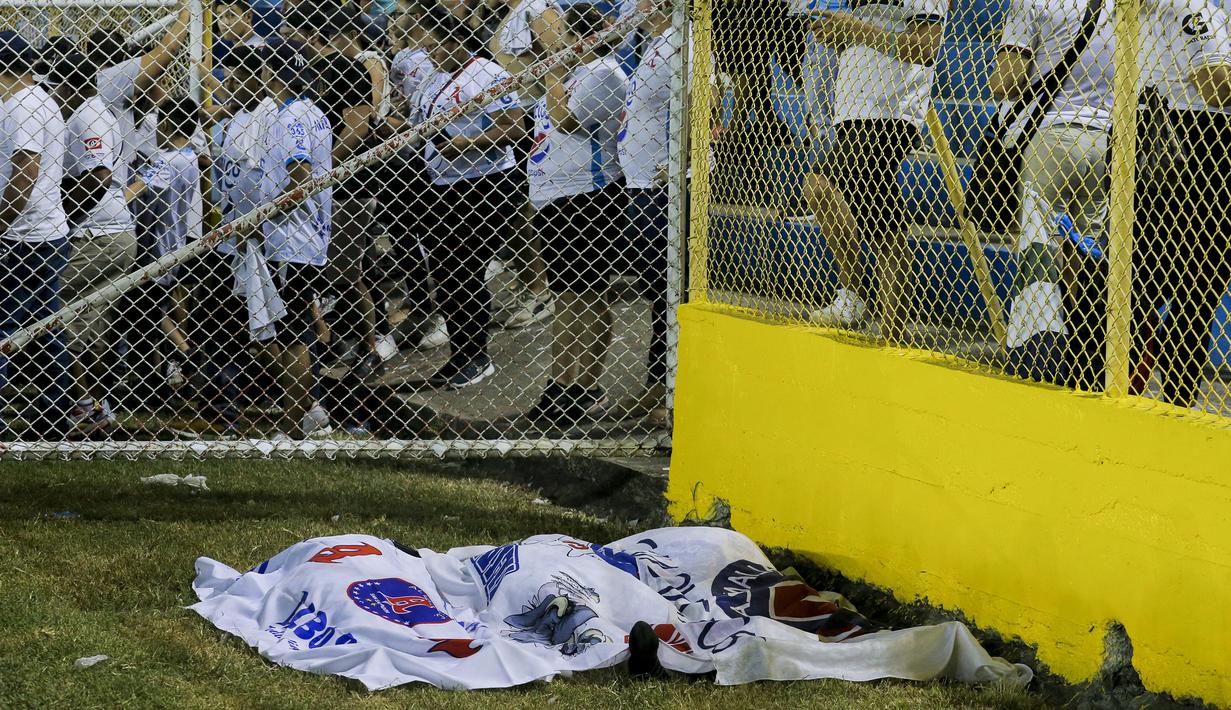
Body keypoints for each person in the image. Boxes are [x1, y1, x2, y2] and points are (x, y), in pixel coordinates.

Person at [801, 0, 945, 343]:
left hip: (890, 113)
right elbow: (864, 37)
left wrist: (855, 30)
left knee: (827, 187)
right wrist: (837, 34)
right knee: (877, 217)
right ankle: (870, 310)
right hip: (853, 109)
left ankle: (884, 324)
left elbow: (926, 48)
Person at [988, 0, 1114, 386]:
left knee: (1042, 243)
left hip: (1051, 135)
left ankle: (1041, 348)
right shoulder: (1120, 8)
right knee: (1090, 249)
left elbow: (1005, 84)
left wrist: (1005, 55)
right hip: (1106, 139)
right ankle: (1086, 355)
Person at [524, 4, 628, 424]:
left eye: (571, 34)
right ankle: (561, 379)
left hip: (590, 195)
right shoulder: (569, 75)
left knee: (586, 296)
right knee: (567, 296)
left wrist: (551, 72)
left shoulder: (605, 73)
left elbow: (567, 120)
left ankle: (584, 382)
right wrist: (554, 71)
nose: (566, 42)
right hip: (556, 196)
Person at [414, 7, 524, 388]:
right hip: (442, 183)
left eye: (434, 46)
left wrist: (466, 143)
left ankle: (477, 355)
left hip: (485, 182)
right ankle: (461, 352)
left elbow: (514, 127)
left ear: (454, 41)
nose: (429, 54)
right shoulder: (434, 78)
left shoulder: (489, 74)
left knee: (465, 270)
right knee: (445, 272)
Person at [285, 2, 384, 381]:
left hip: (348, 186)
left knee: (345, 271)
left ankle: (370, 348)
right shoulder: (307, 73)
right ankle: (331, 341)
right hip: (315, 186)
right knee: (316, 269)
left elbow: (358, 125)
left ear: (312, 34)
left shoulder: (347, 68)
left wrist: (323, 169)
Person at [47, 50, 138, 434]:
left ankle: (85, 405)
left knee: (52, 312)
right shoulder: (95, 109)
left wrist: (66, 213)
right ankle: (90, 406)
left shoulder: (88, 115)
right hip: (107, 231)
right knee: (84, 326)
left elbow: (98, 176)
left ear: (70, 85)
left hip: (97, 233)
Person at [258, 40, 334, 438]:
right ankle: (311, 412)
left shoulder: (286, 118)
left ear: (273, 74)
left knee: (291, 337)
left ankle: (290, 428)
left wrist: (269, 212)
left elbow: (299, 173)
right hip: (312, 234)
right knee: (299, 328)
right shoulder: (316, 112)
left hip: (291, 238)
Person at [0, 31, 72, 440]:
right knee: (45, 328)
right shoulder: (38, 99)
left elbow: (26, 168)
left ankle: (47, 416)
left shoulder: (23, 105)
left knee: (8, 323)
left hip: (24, 235)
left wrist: (0, 223)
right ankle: (52, 417)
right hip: (41, 231)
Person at [618, 0, 682, 425]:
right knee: (656, 293)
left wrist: (679, 163)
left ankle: (670, 395)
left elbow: (704, 99)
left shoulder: (683, 39)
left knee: (670, 292)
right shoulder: (654, 41)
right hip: (640, 183)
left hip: (664, 185)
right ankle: (655, 385)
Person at [490, 0, 564, 329]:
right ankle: (531, 284)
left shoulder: (537, 9)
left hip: (533, 116)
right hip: (516, 111)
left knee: (524, 210)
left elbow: (560, 57)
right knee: (515, 210)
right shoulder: (508, 12)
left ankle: (539, 290)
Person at [127, 97, 203, 391]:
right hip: (173, 241)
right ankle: (182, 354)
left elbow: (138, 190)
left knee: (144, 312)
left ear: (168, 123)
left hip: (155, 246)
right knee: (153, 310)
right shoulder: (190, 157)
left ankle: (184, 355)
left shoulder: (167, 162)